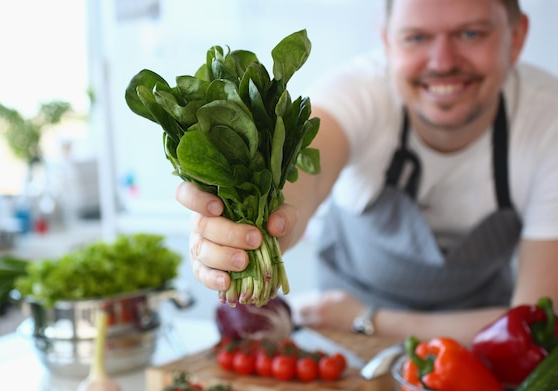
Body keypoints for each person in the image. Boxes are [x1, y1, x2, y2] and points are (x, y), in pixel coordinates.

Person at [175, 0, 558, 344]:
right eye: (416, 37)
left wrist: (367, 318)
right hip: (348, 348)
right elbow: (298, 184)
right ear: (387, 41)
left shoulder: (547, 121)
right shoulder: (358, 93)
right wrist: (244, 235)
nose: (442, 61)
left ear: (517, 35)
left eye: (471, 33)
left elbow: (539, 324)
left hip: (486, 352)